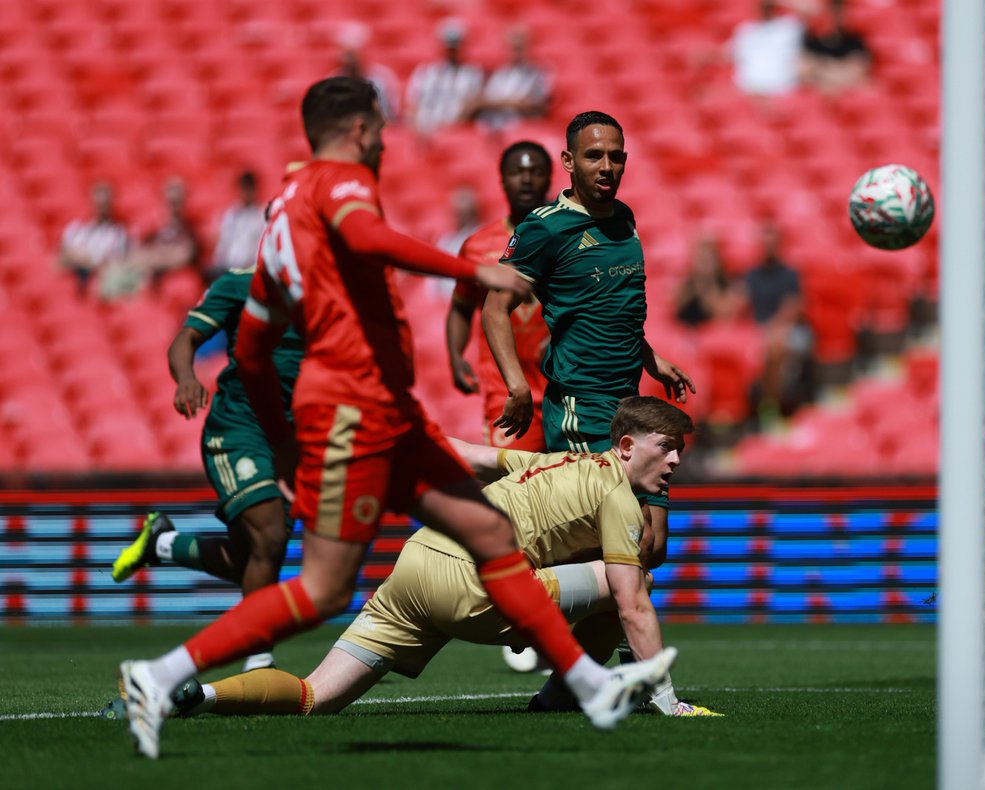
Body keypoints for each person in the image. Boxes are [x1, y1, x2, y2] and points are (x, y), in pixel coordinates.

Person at [117, 77, 675, 760]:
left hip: (377, 405)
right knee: (324, 587)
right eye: (380, 130)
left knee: (486, 529)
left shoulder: (284, 222)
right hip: (356, 407)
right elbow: (369, 235)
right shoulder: (338, 182)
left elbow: (256, 346)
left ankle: (588, 682)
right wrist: (470, 273)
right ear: (358, 130)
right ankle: (161, 673)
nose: (384, 141)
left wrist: (286, 446)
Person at [136, 398, 719, 721]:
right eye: (666, 448)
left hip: (415, 563)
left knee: (316, 697)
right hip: (476, 586)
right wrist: (671, 702)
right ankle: (561, 698)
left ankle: (200, 695)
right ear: (625, 447)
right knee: (628, 580)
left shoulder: (554, 460)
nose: (673, 463)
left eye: (680, 453)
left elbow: (466, 454)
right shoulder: (619, 496)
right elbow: (633, 604)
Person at [482, 111, 695, 576]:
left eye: (616, 157)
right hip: (583, 402)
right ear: (569, 161)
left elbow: (613, 305)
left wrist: (651, 358)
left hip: (632, 401)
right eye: (593, 155)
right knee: (626, 536)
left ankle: (559, 628)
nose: (606, 166)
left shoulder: (623, 218)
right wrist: (517, 387)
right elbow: (494, 309)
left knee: (653, 545)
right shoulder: (545, 228)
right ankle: (587, 641)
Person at [110, 266, 304, 673]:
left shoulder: (331, 284)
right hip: (239, 427)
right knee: (269, 535)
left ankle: (163, 543)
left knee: (250, 557)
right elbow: (186, 338)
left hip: (293, 437)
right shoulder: (241, 283)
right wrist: (186, 378)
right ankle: (259, 660)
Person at [446, 141, 553, 451]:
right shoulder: (478, 246)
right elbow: (461, 305)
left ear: (549, 178)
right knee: (512, 492)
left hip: (566, 392)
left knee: (576, 492)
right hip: (506, 393)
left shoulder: (568, 240)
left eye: (536, 172)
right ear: (502, 179)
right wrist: (455, 356)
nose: (527, 179)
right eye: (517, 172)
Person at [743, 221, 810, 423]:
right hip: (759, 331)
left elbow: (791, 311)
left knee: (776, 346)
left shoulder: (789, 274)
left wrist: (769, 330)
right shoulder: (752, 275)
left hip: (789, 331)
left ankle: (770, 404)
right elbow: (739, 302)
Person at [405, 19, 484, 137]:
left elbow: (471, 107)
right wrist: (418, 130)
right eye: (448, 45)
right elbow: (412, 108)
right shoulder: (424, 72)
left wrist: (447, 131)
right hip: (424, 132)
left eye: (455, 46)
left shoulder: (472, 74)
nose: (451, 51)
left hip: (454, 133)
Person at [58, 180, 130, 295]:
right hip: (71, 280)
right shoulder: (76, 228)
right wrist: (89, 259)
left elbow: (110, 263)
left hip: (98, 283)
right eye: (99, 200)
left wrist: (79, 258)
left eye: (105, 202)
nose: (101, 205)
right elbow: (61, 258)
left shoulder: (119, 233)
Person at [728, 0, 814, 97]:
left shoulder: (788, 28)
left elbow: (810, 9)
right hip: (750, 90)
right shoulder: (745, 30)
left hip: (781, 92)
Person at [474, 26, 552, 132]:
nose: (515, 52)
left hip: (523, 126)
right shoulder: (500, 73)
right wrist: (512, 103)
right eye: (512, 48)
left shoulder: (537, 73)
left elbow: (538, 104)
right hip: (496, 124)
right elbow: (485, 101)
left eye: (519, 48)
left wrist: (503, 103)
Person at [674, 231, 745, 327]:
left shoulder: (725, 282)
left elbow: (724, 313)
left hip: (714, 335)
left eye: (709, 257)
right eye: (701, 257)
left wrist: (708, 287)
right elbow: (676, 306)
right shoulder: (687, 284)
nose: (705, 262)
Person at [799, 0, 871, 93]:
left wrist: (823, 67)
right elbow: (804, 72)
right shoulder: (811, 40)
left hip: (847, 92)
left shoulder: (853, 39)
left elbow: (859, 71)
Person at [209, 171, 267, 280]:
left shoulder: (261, 215)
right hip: (227, 268)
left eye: (249, 188)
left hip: (250, 271)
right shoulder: (232, 214)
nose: (247, 192)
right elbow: (223, 243)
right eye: (244, 187)